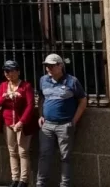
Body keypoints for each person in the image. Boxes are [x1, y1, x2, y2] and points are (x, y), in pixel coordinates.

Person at [37, 54, 87, 187]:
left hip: (65, 125)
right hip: (47, 125)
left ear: (60, 66)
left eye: (52, 65)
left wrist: (74, 121)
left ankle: (65, 184)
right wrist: (41, 115)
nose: (49, 68)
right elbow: (41, 99)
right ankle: (41, 183)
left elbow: (82, 100)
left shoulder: (72, 81)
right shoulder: (43, 80)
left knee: (65, 157)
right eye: (47, 66)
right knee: (44, 155)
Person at [0, 59, 36, 187]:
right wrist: (5, 96)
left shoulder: (26, 86)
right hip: (8, 122)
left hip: (23, 124)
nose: (8, 74)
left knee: (23, 152)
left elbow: (30, 106)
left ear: (18, 72)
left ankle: (24, 180)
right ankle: (15, 178)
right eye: (6, 72)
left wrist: (21, 122)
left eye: (11, 71)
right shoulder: (3, 86)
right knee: (12, 151)